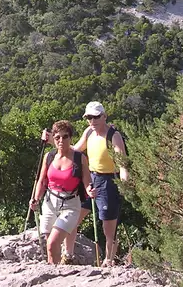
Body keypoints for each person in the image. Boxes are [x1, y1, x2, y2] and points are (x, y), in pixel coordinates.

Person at [41, 102, 129, 266]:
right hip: (90, 178)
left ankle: (109, 260)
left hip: (109, 181)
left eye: (96, 117)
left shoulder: (113, 136)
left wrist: (124, 184)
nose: (92, 121)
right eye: (89, 117)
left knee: (108, 224)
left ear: (104, 116)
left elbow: (122, 163)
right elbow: (73, 149)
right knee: (74, 218)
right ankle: (69, 255)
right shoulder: (89, 132)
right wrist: (53, 140)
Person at [29, 120, 95, 264]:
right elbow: (42, 181)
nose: (61, 140)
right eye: (57, 137)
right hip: (49, 203)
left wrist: (90, 190)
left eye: (65, 137)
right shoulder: (49, 156)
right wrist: (35, 198)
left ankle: (56, 273)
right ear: (53, 138)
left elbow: (87, 180)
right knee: (49, 244)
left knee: (52, 243)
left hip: (70, 205)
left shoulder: (79, 158)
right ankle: (57, 271)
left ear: (71, 138)